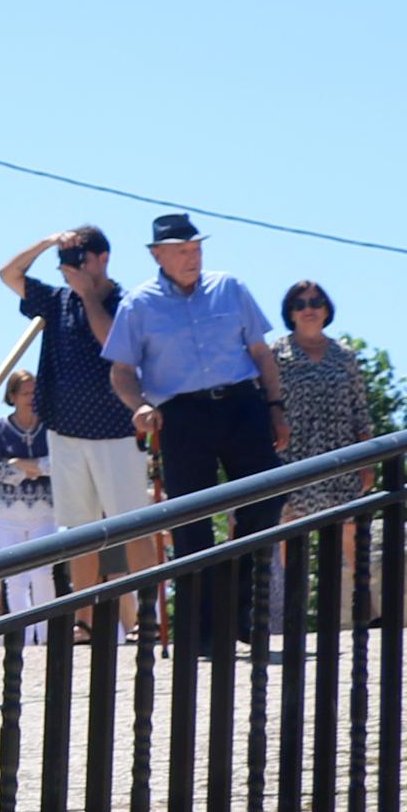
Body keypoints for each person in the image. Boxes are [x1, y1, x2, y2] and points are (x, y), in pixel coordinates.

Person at [101, 214, 285, 648]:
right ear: (157, 254)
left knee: (267, 499)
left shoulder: (230, 287)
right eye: (182, 250)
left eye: (196, 248)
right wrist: (140, 405)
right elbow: (122, 372)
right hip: (180, 415)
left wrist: (277, 409)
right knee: (191, 523)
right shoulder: (138, 304)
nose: (192, 257)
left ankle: (241, 608)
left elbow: (261, 353)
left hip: (242, 404)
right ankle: (202, 629)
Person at [0, 227, 161, 630]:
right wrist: (45, 242)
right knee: (80, 530)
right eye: (65, 263)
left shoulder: (126, 303)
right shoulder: (56, 300)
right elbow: (8, 274)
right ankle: (84, 621)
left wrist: (89, 294)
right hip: (66, 431)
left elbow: (113, 344)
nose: (69, 270)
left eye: (78, 261)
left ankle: (145, 616)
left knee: (133, 525)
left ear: (102, 257)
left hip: (117, 431)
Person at [270, 279, 374, 621]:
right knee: (291, 529)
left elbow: (361, 409)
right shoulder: (277, 354)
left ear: (327, 308)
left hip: (339, 452)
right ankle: (294, 609)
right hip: (293, 454)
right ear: (290, 313)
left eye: (315, 302)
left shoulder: (344, 356)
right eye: (300, 304)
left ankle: (365, 606)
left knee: (349, 527)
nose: (309, 309)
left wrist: (366, 457)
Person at [0, 373, 59, 622]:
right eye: (26, 393)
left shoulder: (49, 427)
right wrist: (37, 469)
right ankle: (22, 640)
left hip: (45, 512)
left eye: (35, 393)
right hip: (8, 514)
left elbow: (59, 462)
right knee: (15, 578)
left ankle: (47, 637)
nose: (32, 399)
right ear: (12, 396)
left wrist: (23, 464)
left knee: (43, 573)